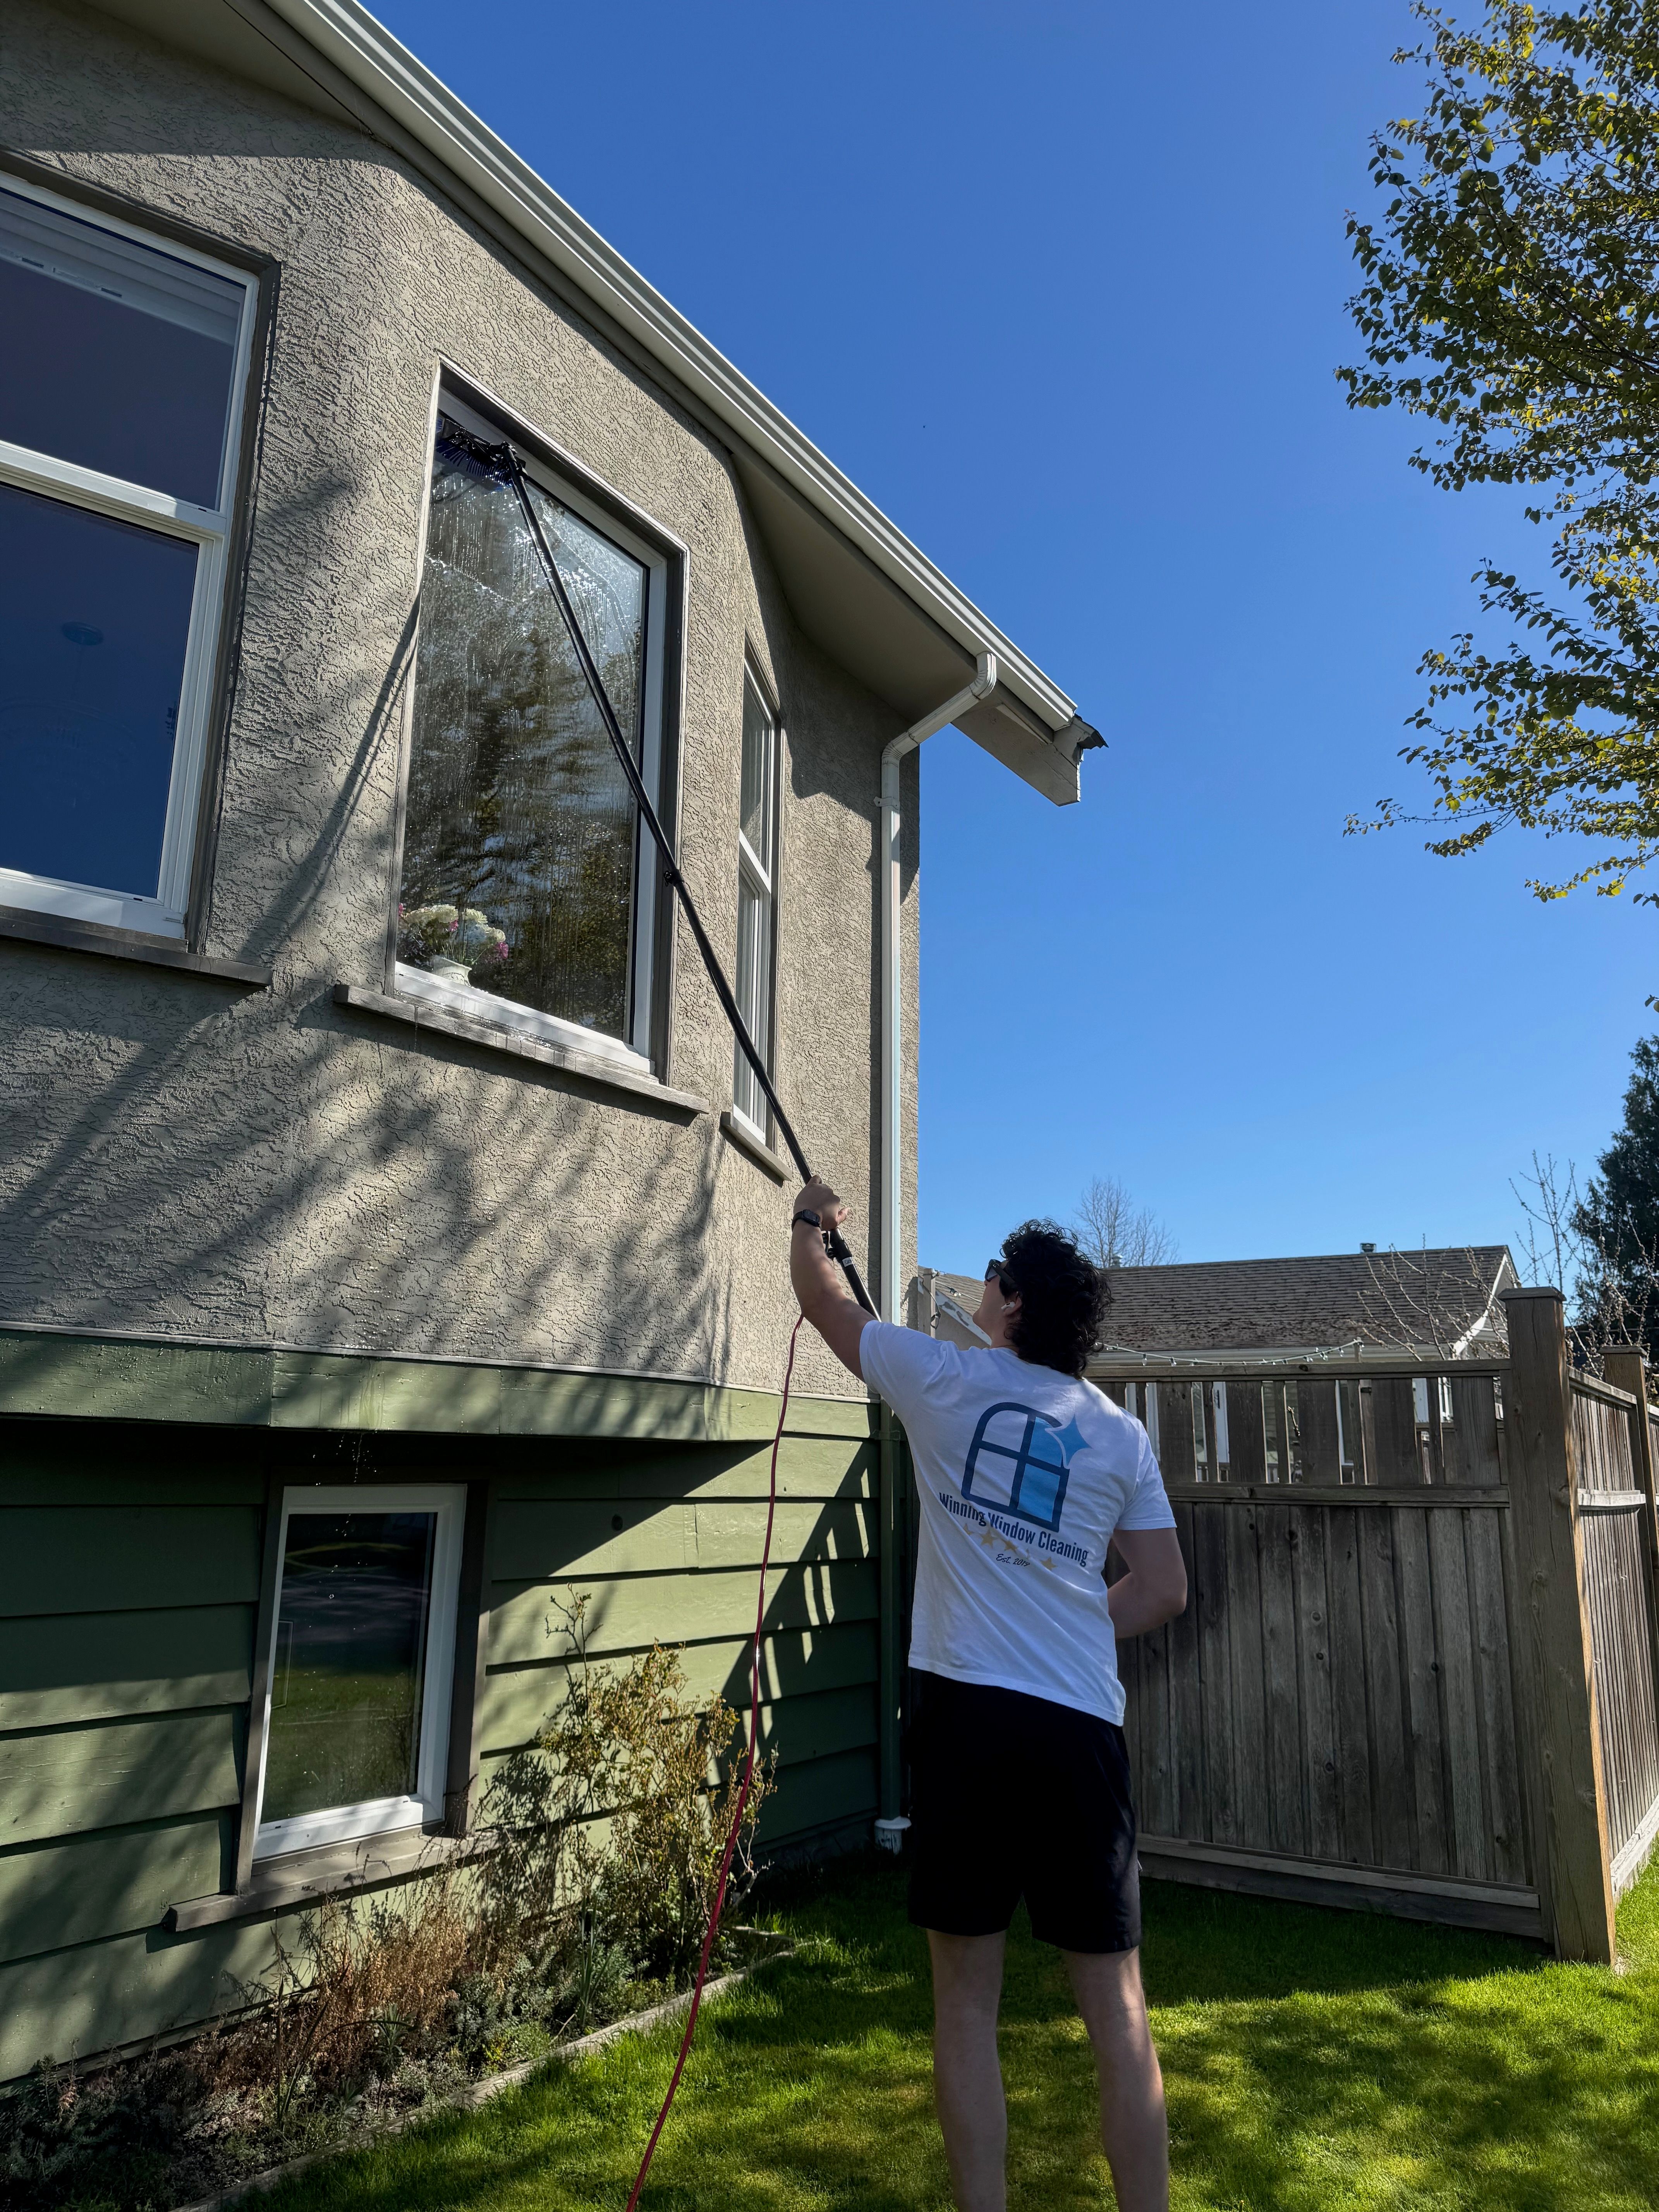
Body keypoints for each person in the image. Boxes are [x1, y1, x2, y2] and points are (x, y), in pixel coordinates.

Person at [789, 1183, 1187, 2212]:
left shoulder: (944, 1380)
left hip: (968, 1718)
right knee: (1118, 2011)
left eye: (988, 1282)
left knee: (966, 2007)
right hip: (1079, 1735)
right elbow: (1163, 1590)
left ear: (1008, 1303)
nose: (977, 1292)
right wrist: (1064, 1621)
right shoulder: (1116, 1436)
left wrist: (809, 1226)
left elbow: (829, 1309)